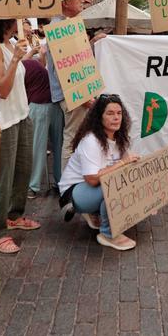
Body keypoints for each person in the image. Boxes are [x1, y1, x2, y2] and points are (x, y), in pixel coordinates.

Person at [0, 18, 40, 254]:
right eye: (17, 17)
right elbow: (2, 90)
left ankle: (14, 216)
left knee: (22, 171)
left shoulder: (10, 42)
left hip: (21, 115)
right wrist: (15, 58)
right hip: (2, 120)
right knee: (3, 177)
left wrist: (23, 55)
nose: (22, 20)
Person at [58, 94, 140, 250]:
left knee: (123, 180)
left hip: (92, 187)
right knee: (117, 184)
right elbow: (93, 179)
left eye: (119, 113)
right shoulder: (91, 141)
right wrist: (123, 162)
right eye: (110, 113)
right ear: (99, 117)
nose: (116, 118)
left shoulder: (119, 138)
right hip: (74, 192)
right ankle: (108, 234)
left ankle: (96, 213)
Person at [45, 0, 106, 170]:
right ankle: (68, 190)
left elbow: (74, 58)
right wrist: (81, 95)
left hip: (74, 93)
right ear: (65, 3)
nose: (82, 0)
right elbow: (64, 66)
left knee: (76, 138)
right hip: (73, 94)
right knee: (73, 138)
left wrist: (92, 42)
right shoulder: (60, 27)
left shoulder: (67, 24)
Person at [23, 53, 63, 199]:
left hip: (39, 107)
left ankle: (32, 186)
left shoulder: (21, 67)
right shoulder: (33, 64)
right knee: (59, 146)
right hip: (56, 105)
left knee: (37, 147)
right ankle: (60, 183)